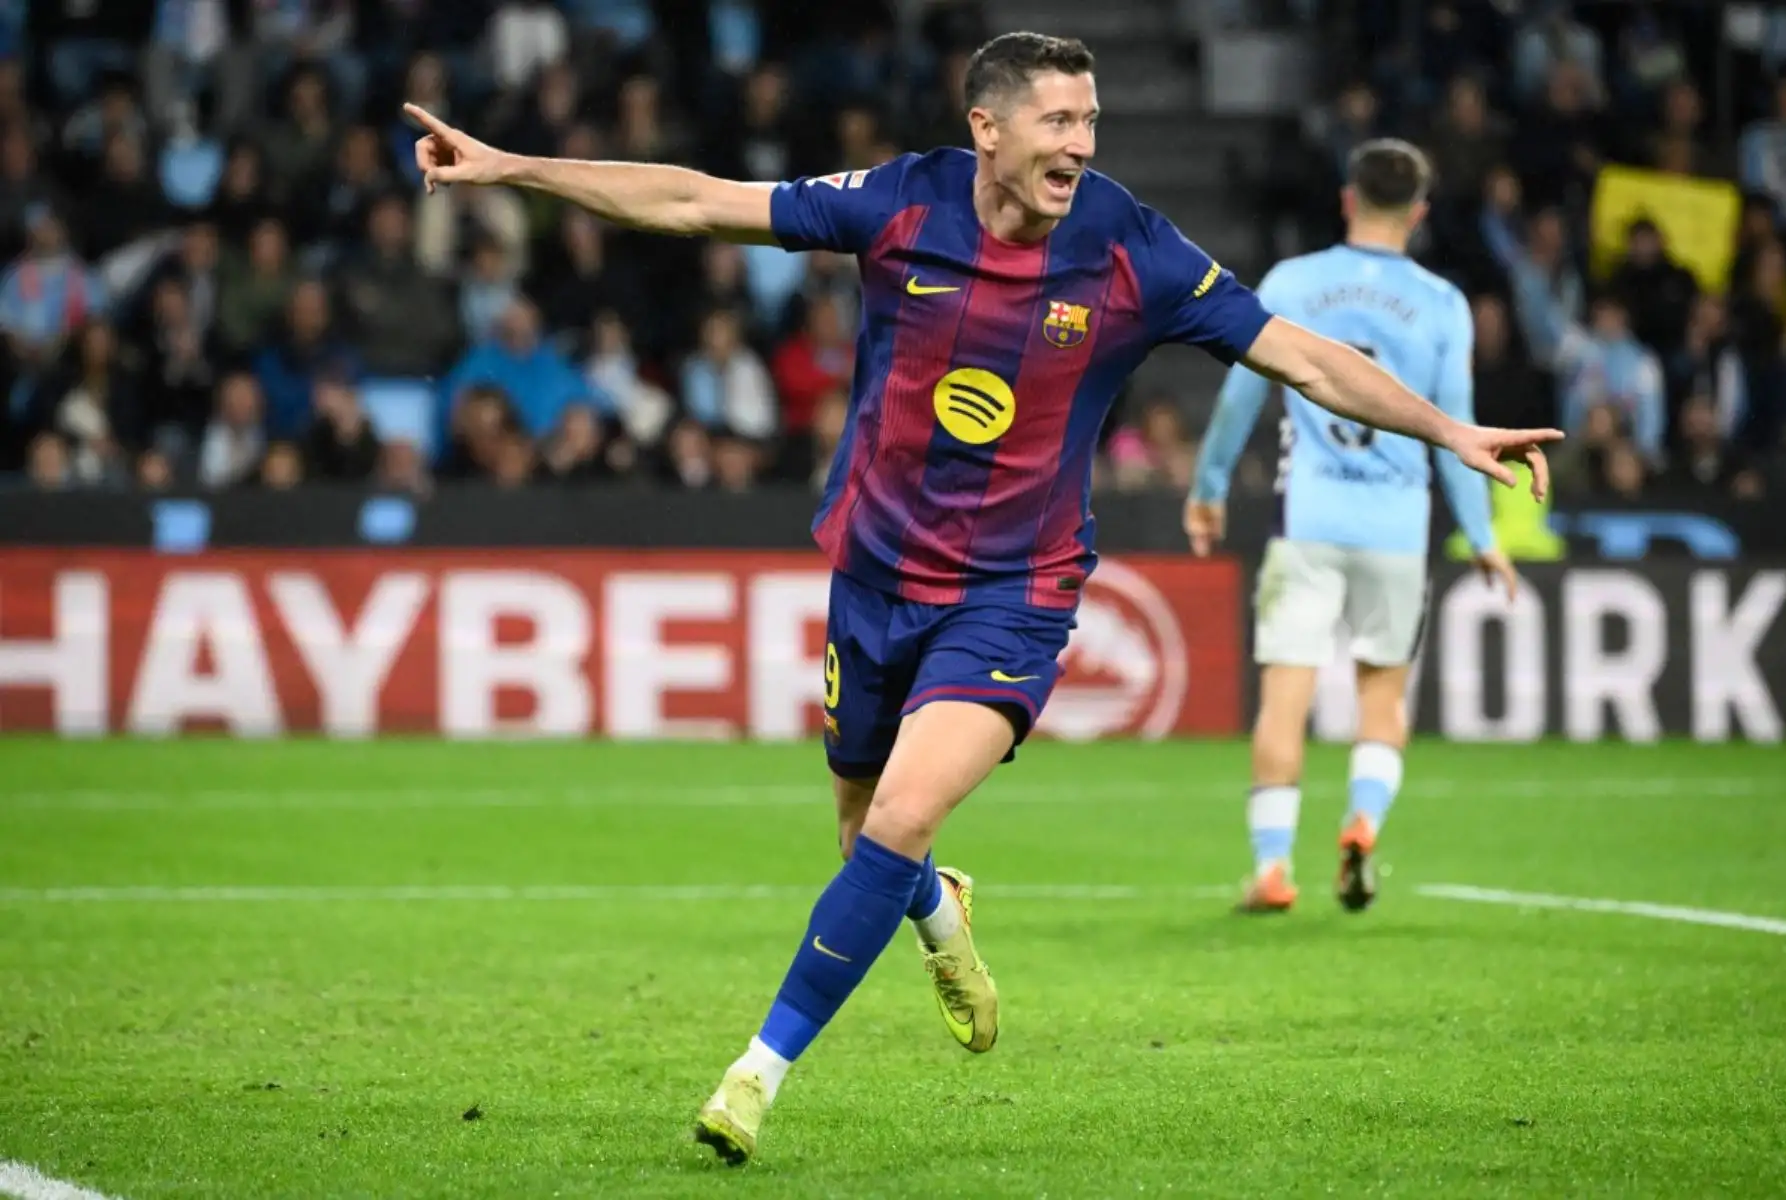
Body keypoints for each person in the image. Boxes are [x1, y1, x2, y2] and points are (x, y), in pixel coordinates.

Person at [403, 35, 1559, 1165]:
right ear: (987, 128)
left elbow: (1301, 356)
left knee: (898, 820)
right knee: (866, 836)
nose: (1081, 144)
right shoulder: (902, 203)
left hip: (1015, 592)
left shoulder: (1130, 249)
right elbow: (698, 200)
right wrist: (511, 167)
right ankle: (936, 910)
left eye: (1091, 121)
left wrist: (1452, 431)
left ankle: (754, 1075)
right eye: (1059, 121)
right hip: (873, 578)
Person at [1186, 139, 1520, 916]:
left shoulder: (1294, 282)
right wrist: (1482, 535)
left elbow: (1241, 396)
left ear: (1347, 199)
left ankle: (1273, 869)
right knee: (1383, 701)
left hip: (1308, 518)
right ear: (1420, 213)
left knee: (1283, 700)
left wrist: (1208, 487)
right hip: (1398, 529)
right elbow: (1456, 427)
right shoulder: (1442, 303)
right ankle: (1363, 821)